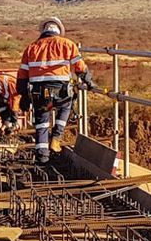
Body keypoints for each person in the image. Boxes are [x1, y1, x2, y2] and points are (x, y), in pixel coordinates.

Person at [16, 16, 93, 163]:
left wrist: (23, 96)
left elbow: (22, 75)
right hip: (61, 90)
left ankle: (42, 155)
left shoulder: (31, 47)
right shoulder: (68, 44)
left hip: (39, 91)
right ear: (58, 31)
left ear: (43, 31)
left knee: (41, 122)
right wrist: (89, 81)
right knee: (65, 107)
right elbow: (80, 67)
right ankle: (56, 138)